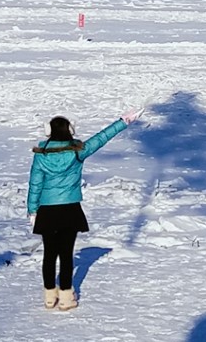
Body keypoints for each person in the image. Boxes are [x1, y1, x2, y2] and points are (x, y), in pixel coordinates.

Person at [28, 111, 138, 310]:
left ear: (48, 131)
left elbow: (35, 185)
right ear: (70, 130)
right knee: (66, 254)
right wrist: (123, 122)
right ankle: (66, 298)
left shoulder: (41, 155)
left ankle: (49, 297)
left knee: (49, 254)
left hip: (47, 211)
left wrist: (32, 211)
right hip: (70, 210)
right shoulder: (77, 150)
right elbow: (100, 138)